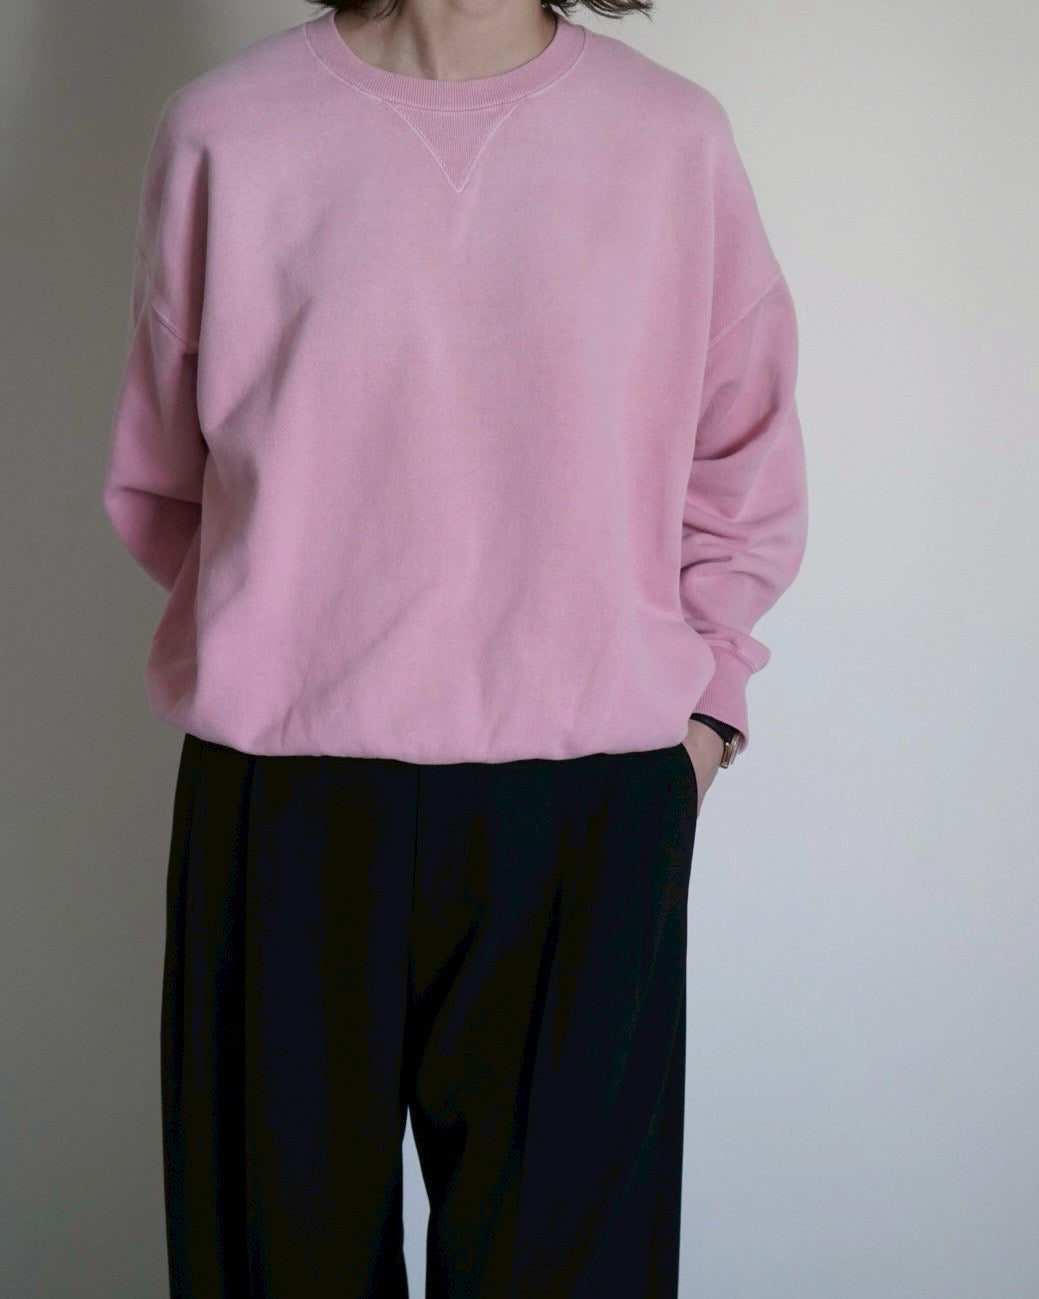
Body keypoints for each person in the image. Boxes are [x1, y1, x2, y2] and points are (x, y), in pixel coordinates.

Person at [101, 0, 808, 1294]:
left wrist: (708, 717)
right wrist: (304, 629)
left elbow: (743, 455)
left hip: (589, 806)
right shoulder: (225, 134)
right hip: (286, 803)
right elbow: (166, 480)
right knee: (273, 1270)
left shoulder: (669, 141)